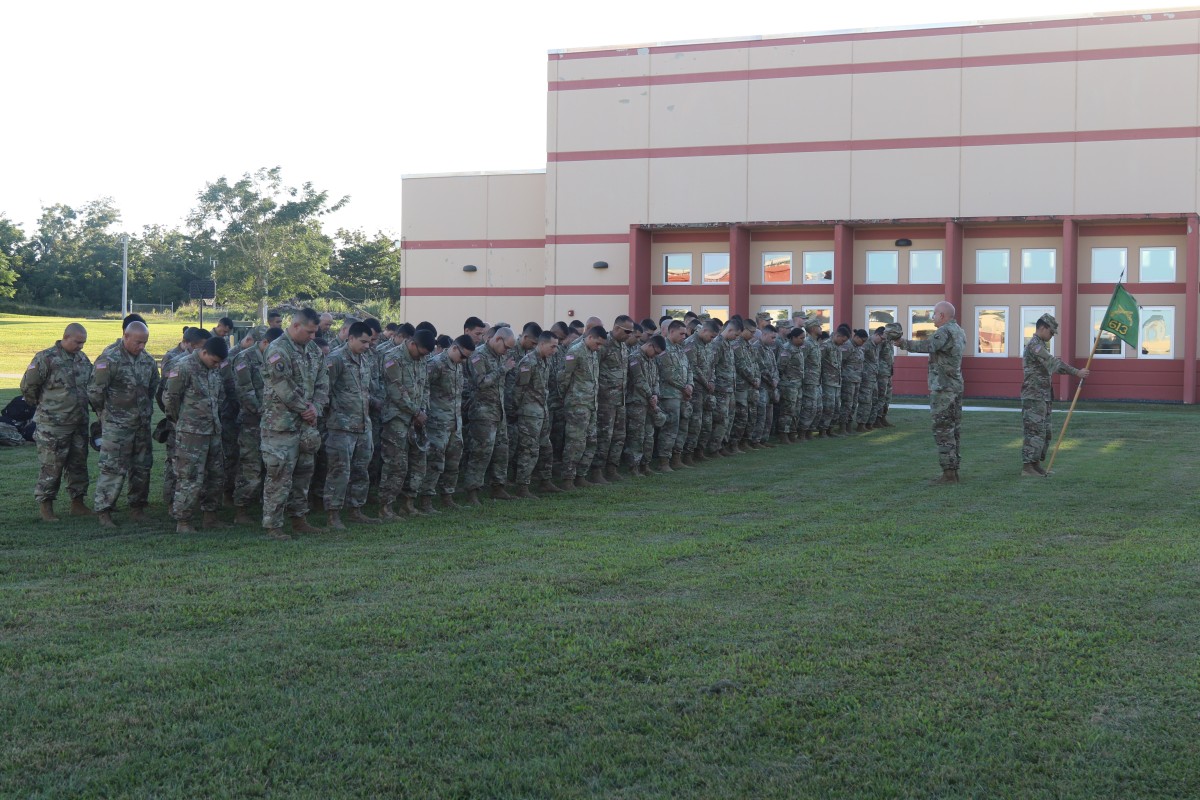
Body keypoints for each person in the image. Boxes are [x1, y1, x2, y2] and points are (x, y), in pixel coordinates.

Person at [260, 308, 329, 539]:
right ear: (296, 326)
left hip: (306, 426)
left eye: (314, 333)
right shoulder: (278, 349)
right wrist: (305, 409)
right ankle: (273, 526)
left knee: (304, 474)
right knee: (279, 476)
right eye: (309, 332)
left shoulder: (313, 350)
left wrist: (316, 408)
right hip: (281, 425)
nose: (312, 336)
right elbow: (283, 386)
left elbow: (323, 383)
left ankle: (299, 519)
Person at [88, 321, 159, 527]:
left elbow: (152, 386)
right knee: (112, 468)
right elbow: (95, 391)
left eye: (145, 342)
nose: (142, 347)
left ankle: (137, 508)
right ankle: (104, 510)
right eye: (138, 342)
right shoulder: (109, 359)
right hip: (117, 425)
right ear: (126, 337)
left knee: (142, 468)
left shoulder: (147, 360)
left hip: (141, 424)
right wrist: (105, 414)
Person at [22, 323, 93, 521]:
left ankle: (77, 503)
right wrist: (45, 406)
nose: (81, 346)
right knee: (51, 466)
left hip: (78, 422)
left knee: (79, 464)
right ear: (66, 337)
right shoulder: (46, 358)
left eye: (83, 343)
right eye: (78, 342)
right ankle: (46, 507)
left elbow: (92, 385)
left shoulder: (82, 359)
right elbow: (28, 386)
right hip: (53, 425)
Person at [894, 301, 966, 483]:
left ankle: (948, 473)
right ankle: (953, 470)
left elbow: (928, 346)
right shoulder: (958, 330)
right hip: (955, 385)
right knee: (953, 429)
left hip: (943, 387)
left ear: (942, 315)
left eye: (934, 314)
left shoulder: (944, 331)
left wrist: (902, 343)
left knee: (943, 430)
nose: (932, 317)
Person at [163, 336, 229, 533]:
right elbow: (170, 399)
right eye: (214, 361)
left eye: (219, 363)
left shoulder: (214, 370)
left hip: (213, 431)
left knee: (216, 476)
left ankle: (211, 516)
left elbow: (220, 396)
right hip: (191, 433)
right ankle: (183, 521)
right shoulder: (183, 367)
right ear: (204, 352)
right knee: (189, 477)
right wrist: (181, 422)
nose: (216, 366)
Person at [323, 321, 382, 528]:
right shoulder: (336, 359)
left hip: (363, 425)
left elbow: (365, 390)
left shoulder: (365, 359)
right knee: (339, 472)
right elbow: (324, 390)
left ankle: (356, 509)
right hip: (341, 427)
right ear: (350, 338)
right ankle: (333, 514)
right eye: (363, 342)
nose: (367, 345)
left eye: (369, 342)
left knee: (361, 470)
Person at [1021, 313, 1089, 476]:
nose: (1052, 336)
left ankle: (1035, 464)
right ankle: (1027, 467)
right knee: (1034, 431)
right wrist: (1076, 372)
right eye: (1051, 332)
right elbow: (1053, 363)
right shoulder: (1035, 346)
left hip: (1042, 395)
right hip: (1034, 396)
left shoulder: (1041, 345)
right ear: (1042, 328)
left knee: (1044, 431)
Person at [379, 328, 435, 518]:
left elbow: (425, 385)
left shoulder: (423, 358)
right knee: (396, 464)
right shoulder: (392, 358)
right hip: (397, 419)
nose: (422, 358)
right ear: (412, 344)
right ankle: (386, 507)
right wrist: (416, 411)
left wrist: (423, 410)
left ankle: (408, 503)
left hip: (418, 418)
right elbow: (396, 391)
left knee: (419, 462)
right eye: (421, 353)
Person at [419, 334, 474, 511]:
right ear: (454, 348)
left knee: (453, 462)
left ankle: (447, 496)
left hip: (454, 423)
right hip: (437, 422)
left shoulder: (458, 365)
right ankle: (426, 499)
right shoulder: (436, 364)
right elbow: (423, 389)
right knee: (435, 462)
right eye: (463, 356)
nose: (464, 361)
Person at [232, 326, 281, 523]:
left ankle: (265, 506)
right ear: (265, 343)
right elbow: (244, 391)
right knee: (250, 467)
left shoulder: (275, 357)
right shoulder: (244, 359)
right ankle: (241, 510)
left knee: (272, 467)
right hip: (252, 421)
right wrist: (264, 411)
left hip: (273, 422)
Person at [462, 327, 516, 505]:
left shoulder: (500, 356)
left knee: (502, 450)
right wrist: (503, 369)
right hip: (482, 412)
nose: (507, 351)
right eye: (506, 347)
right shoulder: (479, 355)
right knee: (481, 452)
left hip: (498, 411)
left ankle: (498, 487)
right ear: (498, 339)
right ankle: (472, 491)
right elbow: (481, 382)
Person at [512, 331, 558, 497]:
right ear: (542, 344)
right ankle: (522, 486)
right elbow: (518, 390)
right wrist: (521, 410)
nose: (555, 350)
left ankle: (545, 481)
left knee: (546, 448)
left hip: (542, 411)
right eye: (552, 346)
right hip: (529, 413)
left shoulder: (546, 360)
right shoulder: (528, 362)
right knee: (529, 450)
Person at [560, 325, 605, 487]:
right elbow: (564, 377)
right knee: (575, 442)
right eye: (597, 343)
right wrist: (567, 399)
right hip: (577, 405)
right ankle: (568, 478)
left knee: (591, 441)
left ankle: (581, 475)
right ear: (590, 337)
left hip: (591, 404)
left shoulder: (593, 353)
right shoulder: (575, 351)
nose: (599, 348)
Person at [591, 316, 634, 483]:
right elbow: (594, 370)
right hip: (605, 400)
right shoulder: (604, 345)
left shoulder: (623, 347)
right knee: (604, 436)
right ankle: (596, 471)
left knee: (619, 436)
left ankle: (612, 468)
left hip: (620, 400)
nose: (629, 335)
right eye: (627, 331)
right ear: (616, 328)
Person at [624, 335, 665, 475]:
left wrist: (655, 394)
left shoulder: (651, 360)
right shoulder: (635, 358)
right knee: (637, 436)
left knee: (649, 435)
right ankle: (633, 466)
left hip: (649, 403)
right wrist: (650, 396)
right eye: (656, 352)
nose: (656, 355)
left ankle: (645, 465)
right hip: (637, 403)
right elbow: (639, 380)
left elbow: (656, 379)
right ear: (650, 345)